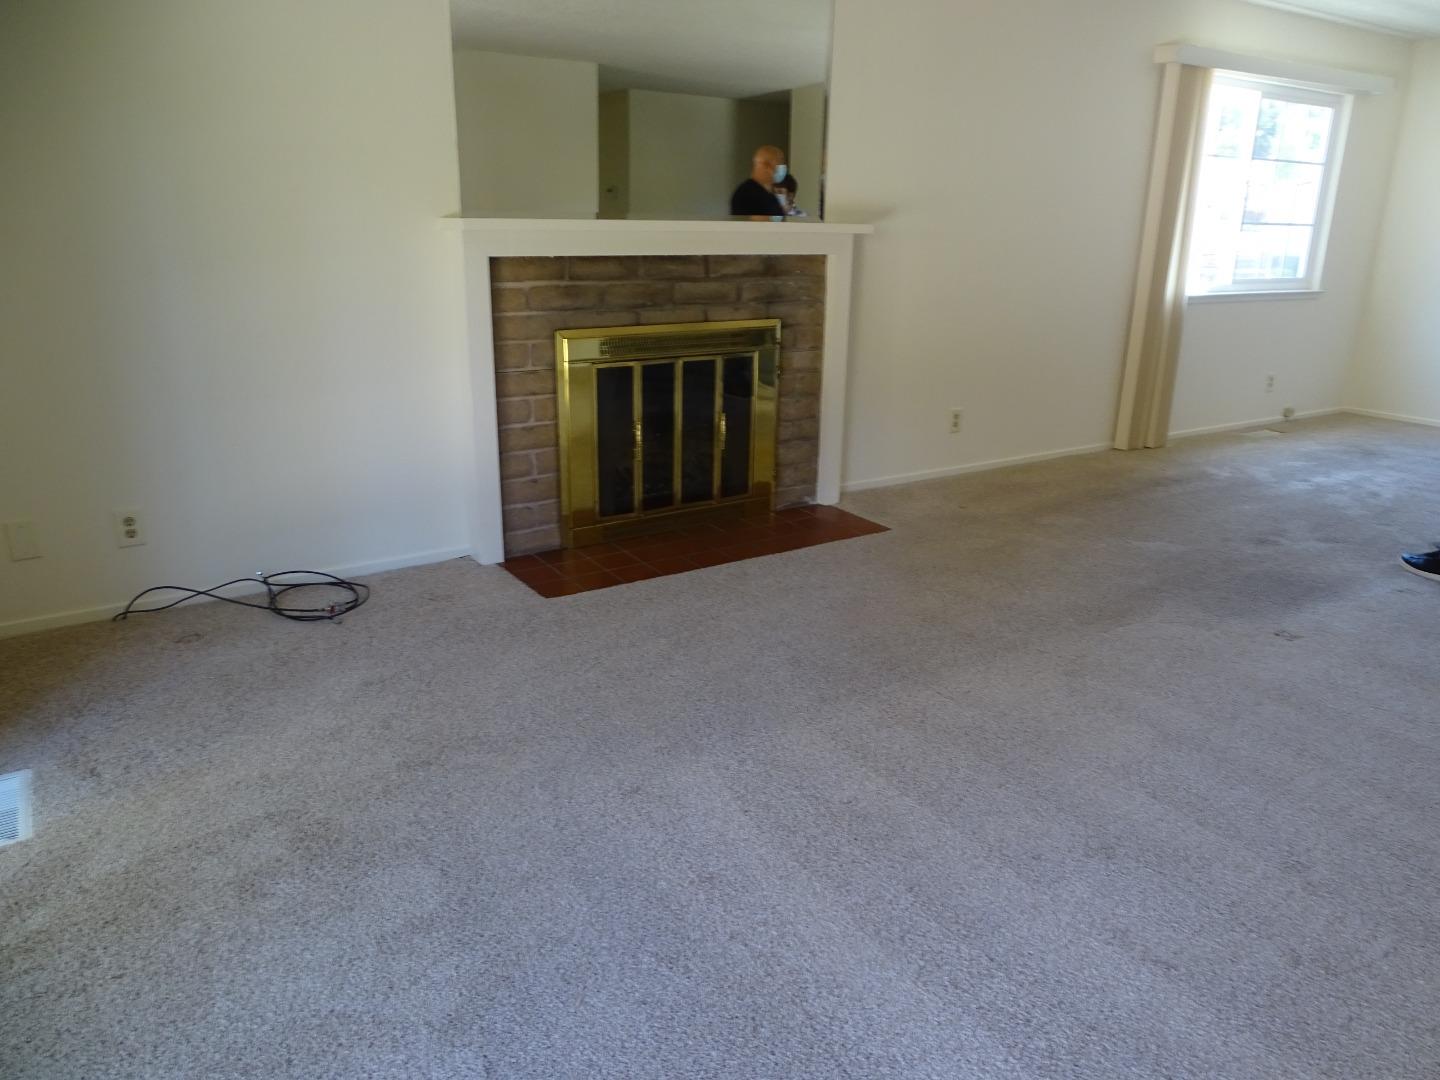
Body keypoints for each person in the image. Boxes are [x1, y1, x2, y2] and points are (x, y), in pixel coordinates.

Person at [731, 146, 787, 218]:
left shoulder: (769, 194)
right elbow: (760, 225)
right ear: (765, 165)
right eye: (777, 164)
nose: (778, 170)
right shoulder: (747, 194)